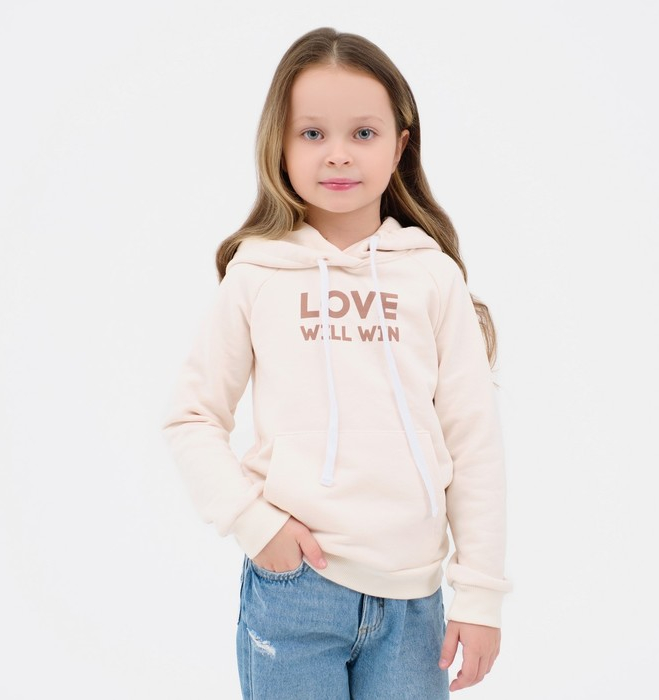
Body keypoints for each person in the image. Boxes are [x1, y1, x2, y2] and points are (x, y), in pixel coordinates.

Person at [161, 26, 513, 699]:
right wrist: (256, 525)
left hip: (414, 606)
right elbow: (191, 417)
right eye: (312, 133)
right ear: (280, 145)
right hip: (295, 591)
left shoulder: (431, 277)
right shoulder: (258, 275)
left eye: (364, 133)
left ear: (400, 146)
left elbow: (474, 444)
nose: (338, 153)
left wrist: (480, 596)